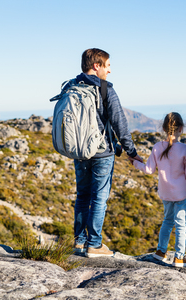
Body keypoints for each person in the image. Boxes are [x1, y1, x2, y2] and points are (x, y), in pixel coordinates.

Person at [72, 48, 143, 258]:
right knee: (99, 198)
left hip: (79, 151)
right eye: (108, 66)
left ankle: (79, 242)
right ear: (97, 66)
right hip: (102, 152)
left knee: (82, 196)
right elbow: (120, 123)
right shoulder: (105, 89)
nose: (109, 71)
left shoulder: (72, 87)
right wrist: (131, 151)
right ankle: (94, 244)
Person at [129, 112, 186, 267]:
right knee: (180, 225)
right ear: (181, 128)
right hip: (181, 194)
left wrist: (134, 163)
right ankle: (179, 257)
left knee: (167, 221)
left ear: (165, 128)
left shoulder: (157, 147)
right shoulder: (185, 149)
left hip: (165, 193)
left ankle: (160, 251)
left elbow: (148, 170)